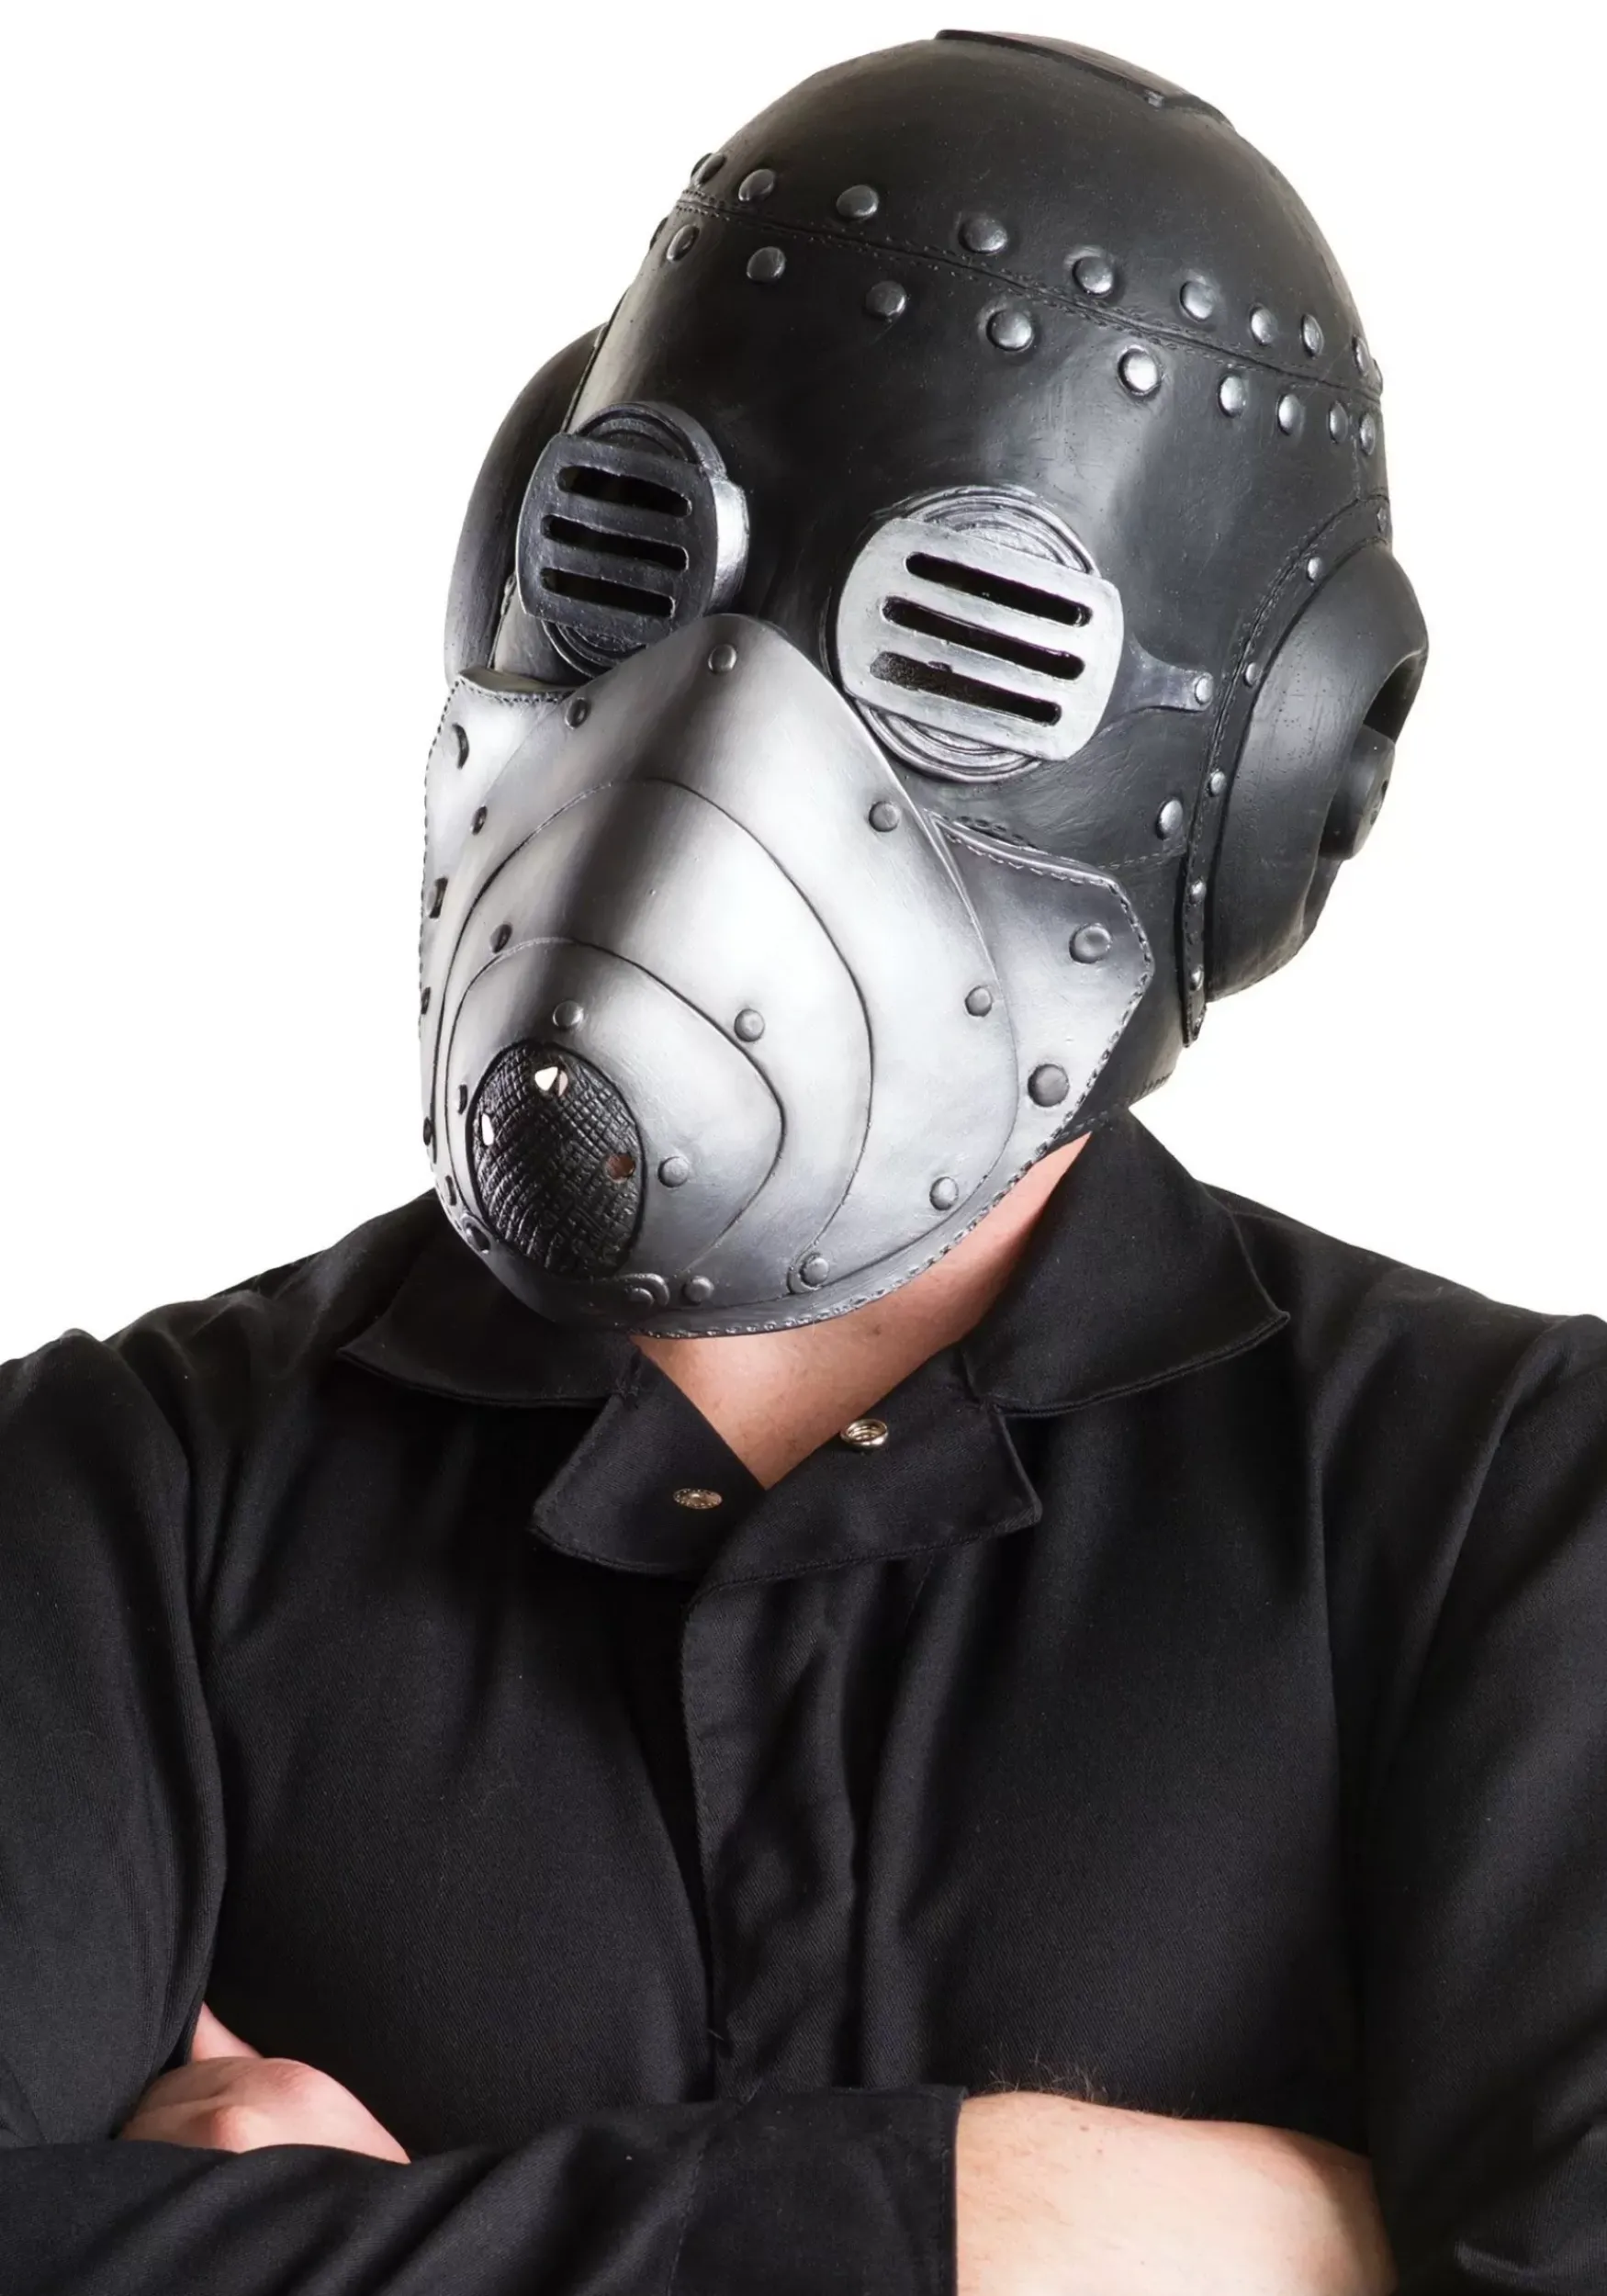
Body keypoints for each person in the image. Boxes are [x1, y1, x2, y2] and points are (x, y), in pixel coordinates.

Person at [3, 30, 1603, 2296]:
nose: (720, 739)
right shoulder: (114, 1504)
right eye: (633, 552)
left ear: (1274, 792)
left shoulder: (1503, 1513)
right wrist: (1015, 2220)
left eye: (966, 640)